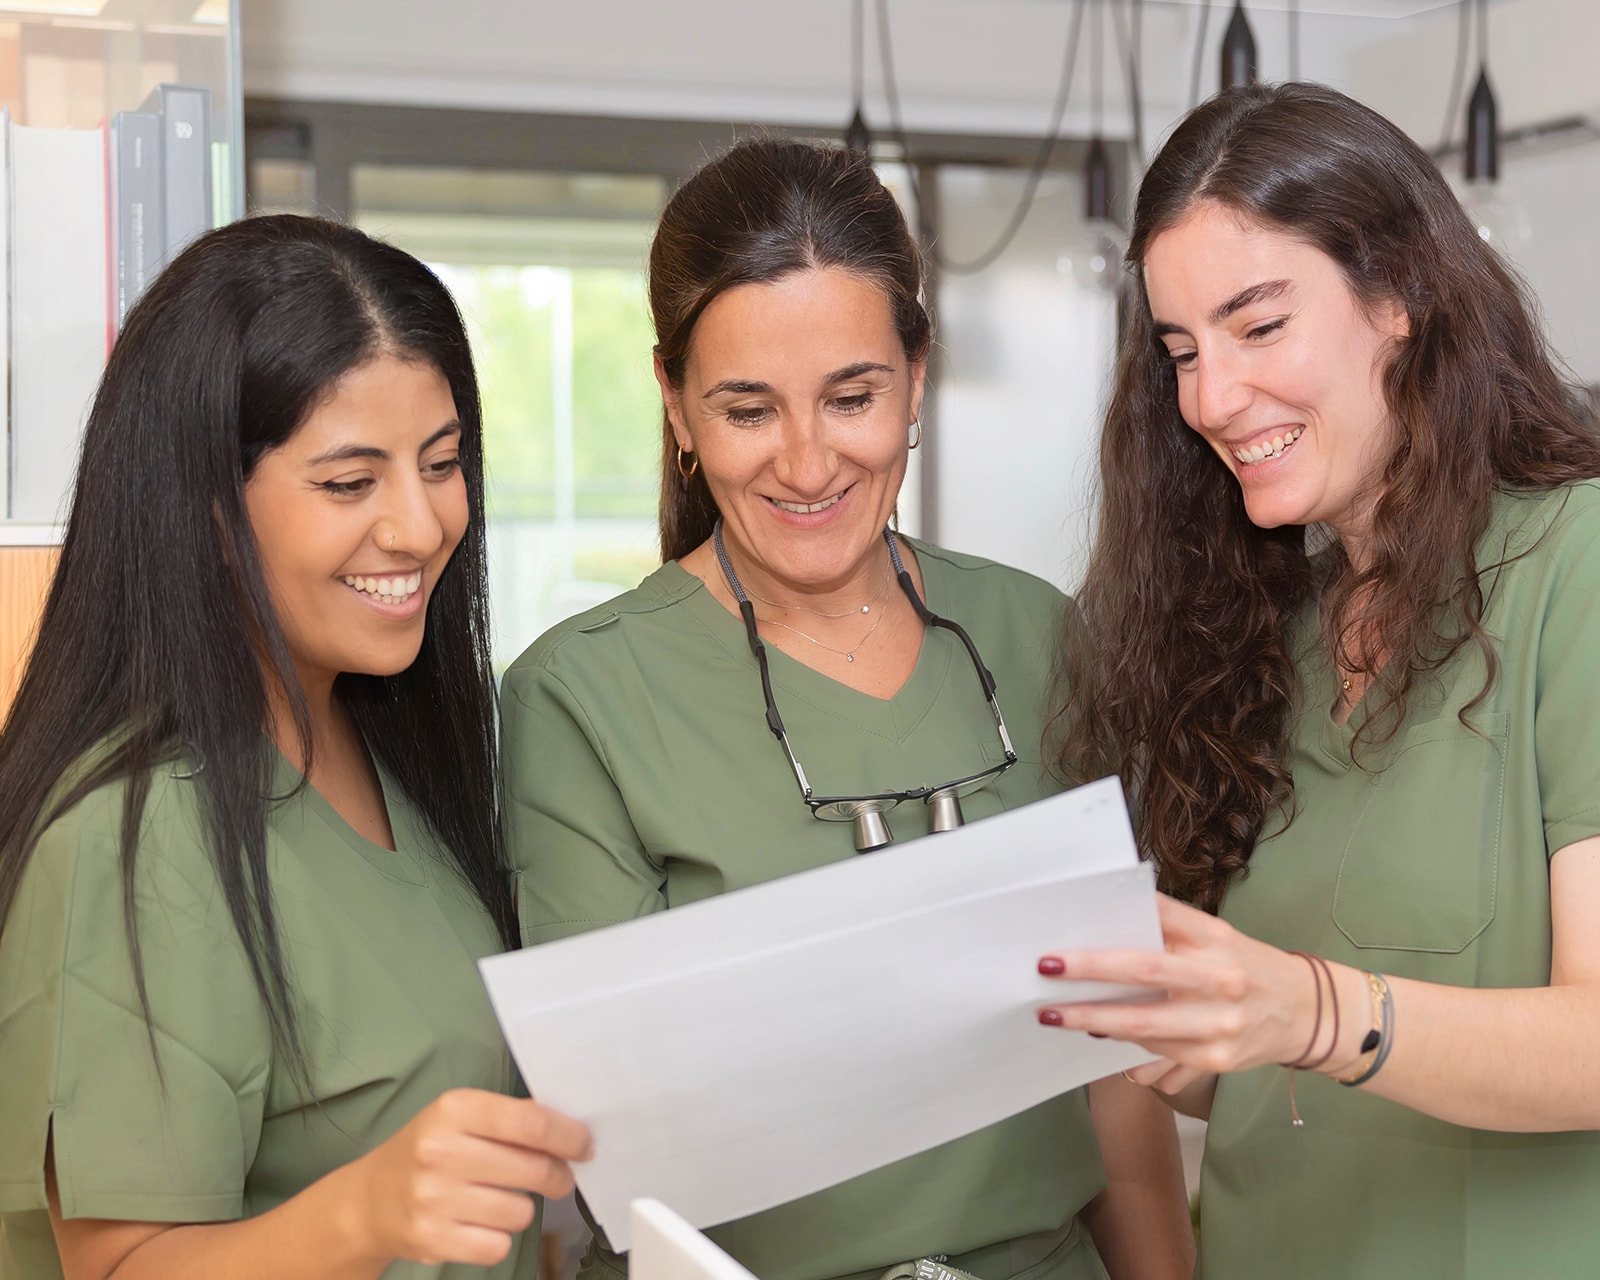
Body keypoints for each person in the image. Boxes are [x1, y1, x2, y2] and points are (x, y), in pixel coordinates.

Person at [501, 139, 1193, 1280]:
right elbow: (619, 1150)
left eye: (851, 397)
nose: (807, 462)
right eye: (747, 409)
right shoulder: (580, 698)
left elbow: (1117, 1072)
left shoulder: (1041, 636)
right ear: (675, 404)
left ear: (916, 379)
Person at [1033, 83, 1600, 1279]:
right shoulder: (1265, 632)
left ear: (1398, 294)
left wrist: (1308, 1008)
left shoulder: (1577, 565)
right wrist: (1163, 1022)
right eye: (1182, 351)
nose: (1210, 397)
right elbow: (1248, 1078)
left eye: (1257, 325)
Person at [0, 216, 590, 1280]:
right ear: (206, 507)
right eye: (350, 482)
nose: (420, 526)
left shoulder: (392, 751)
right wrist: (366, 1212)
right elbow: (122, 1266)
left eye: (441, 463)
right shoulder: (139, 832)